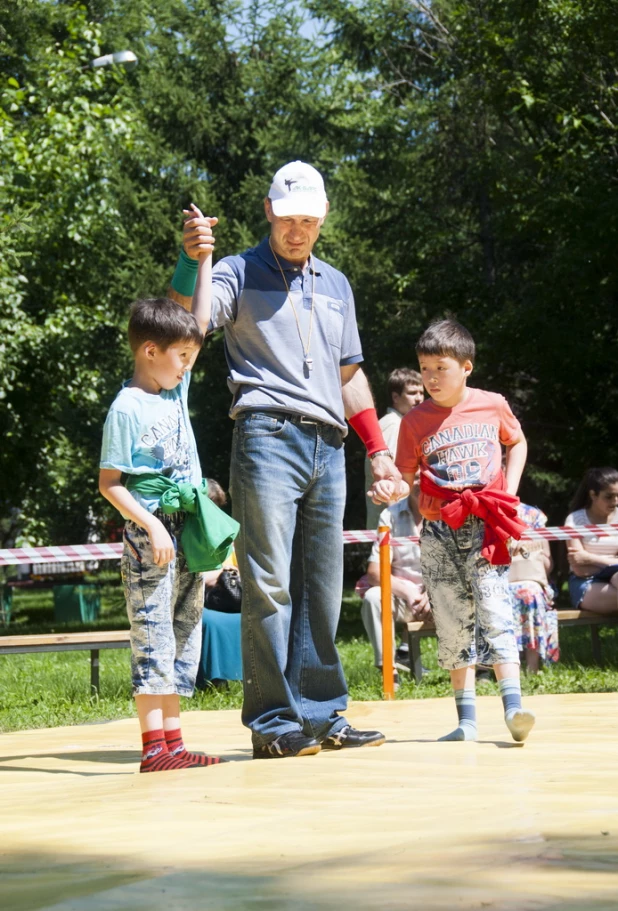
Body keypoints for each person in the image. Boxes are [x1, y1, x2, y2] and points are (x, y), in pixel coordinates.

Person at [169, 161, 399, 759]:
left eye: (309, 221)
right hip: (267, 436)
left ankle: (322, 716)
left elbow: (348, 374)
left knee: (322, 588)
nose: (298, 230)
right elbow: (189, 328)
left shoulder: (337, 285)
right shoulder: (237, 272)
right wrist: (193, 261)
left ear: (321, 221)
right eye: (288, 218)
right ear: (269, 211)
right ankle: (273, 723)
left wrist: (378, 450)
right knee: (269, 584)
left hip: (330, 445)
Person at [370, 319, 535, 743]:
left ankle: (514, 707)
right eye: (423, 369)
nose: (429, 378)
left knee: (496, 610)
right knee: (451, 619)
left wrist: (509, 492)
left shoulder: (491, 404)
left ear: (466, 367)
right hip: (439, 531)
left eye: (439, 368)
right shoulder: (415, 422)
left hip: (486, 527)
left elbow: (516, 442)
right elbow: (406, 478)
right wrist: (392, 488)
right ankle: (466, 721)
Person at [99, 293, 230, 772]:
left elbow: (196, 321)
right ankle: (154, 747)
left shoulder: (174, 391)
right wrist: (151, 523)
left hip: (186, 528)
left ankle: (173, 744)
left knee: (182, 631)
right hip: (150, 532)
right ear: (150, 351)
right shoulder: (127, 408)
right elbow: (110, 483)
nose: (187, 368)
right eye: (183, 358)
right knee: (153, 632)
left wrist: (201, 257)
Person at [357, 473, 430, 676]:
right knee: (373, 597)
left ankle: (481, 671)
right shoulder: (390, 515)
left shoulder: (448, 511)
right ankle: (389, 671)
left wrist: (434, 594)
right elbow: (374, 571)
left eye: (425, 475)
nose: (420, 481)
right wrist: (408, 592)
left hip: (441, 597)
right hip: (402, 598)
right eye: (415, 477)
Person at [365, 368, 424, 528]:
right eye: (412, 393)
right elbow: (390, 477)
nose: (419, 399)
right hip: (395, 525)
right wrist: (397, 523)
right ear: (395, 397)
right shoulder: (394, 425)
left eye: (421, 392)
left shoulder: (401, 424)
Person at [509, 504, 559, 672]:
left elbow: (547, 564)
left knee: (530, 593)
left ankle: (532, 667)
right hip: (494, 579)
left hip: (531, 579)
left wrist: (530, 547)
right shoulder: (479, 512)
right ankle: (499, 669)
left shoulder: (533, 515)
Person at [564, 467, 618, 614]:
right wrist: (612, 561)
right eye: (609, 496)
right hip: (586, 582)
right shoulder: (575, 520)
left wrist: (589, 558)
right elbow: (580, 569)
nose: (615, 501)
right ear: (593, 495)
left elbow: (583, 561)